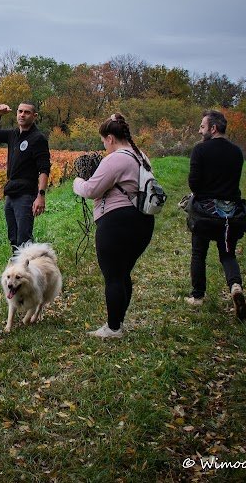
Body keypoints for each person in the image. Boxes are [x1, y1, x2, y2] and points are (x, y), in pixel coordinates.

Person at [73, 113, 155, 338]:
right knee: (123, 273)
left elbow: (91, 190)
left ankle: (113, 327)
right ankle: (118, 321)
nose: (104, 146)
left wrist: (77, 183)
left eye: (103, 141)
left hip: (116, 223)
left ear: (110, 138)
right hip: (142, 221)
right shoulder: (141, 156)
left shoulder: (117, 158)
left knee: (113, 276)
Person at [184, 110, 246, 320]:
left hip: (205, 213)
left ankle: (198, 296)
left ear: (213, 128)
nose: (199, 130)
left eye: (202, 126)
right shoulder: (236, 152)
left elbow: (193, 183)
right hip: (230, 214)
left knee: (199, 253)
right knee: (228, 254)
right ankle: (235, 286)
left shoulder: (200, 150)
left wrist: (201, 194)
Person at [0, 102, 51, 252]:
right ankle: (18, 271)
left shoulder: (38, 139)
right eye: (20, 111)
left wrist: (41, 195)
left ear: (34, 116)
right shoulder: (13, 134)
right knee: (13, 238)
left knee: (24, 240)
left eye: (27, 112)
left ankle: (29, 272)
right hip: (11, 193)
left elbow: (44, 169)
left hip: (26, 195)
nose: (22, 115)